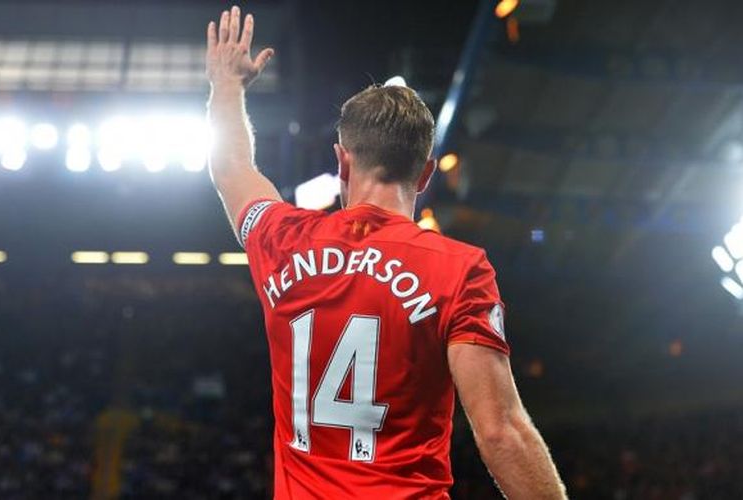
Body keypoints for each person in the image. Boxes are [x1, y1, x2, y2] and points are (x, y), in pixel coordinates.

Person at [205, 6, 566, 499]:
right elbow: (501, 432)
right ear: (425, 174)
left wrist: (227, 85)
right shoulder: (460, 270)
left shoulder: (283, 241)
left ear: (342, 162)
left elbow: (229, 167)